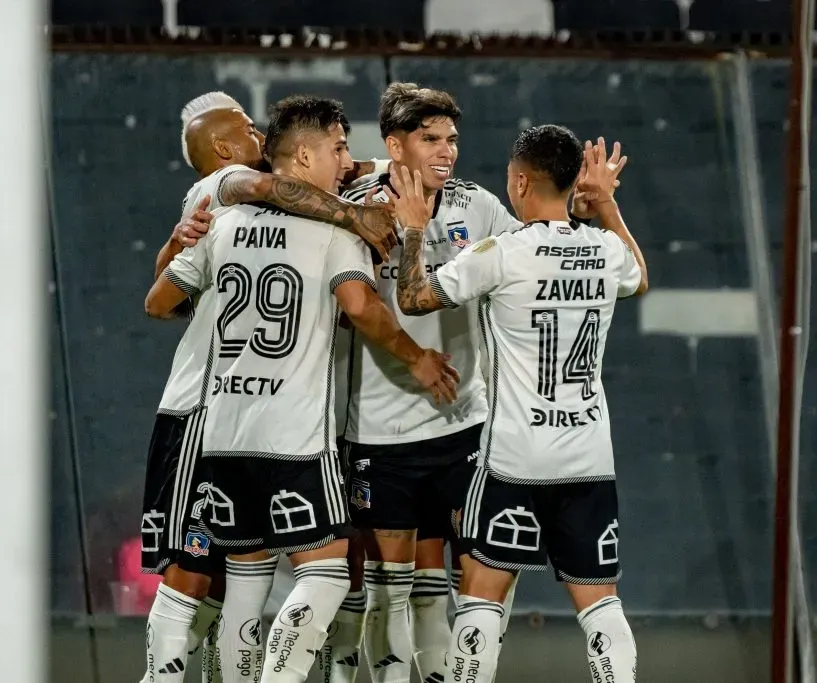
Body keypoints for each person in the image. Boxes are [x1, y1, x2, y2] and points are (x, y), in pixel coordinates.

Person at [145, 95, 460, 683]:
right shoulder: (299, 214)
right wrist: (416, 358)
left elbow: (158, 299)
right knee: (325, 573)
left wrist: (183, 250)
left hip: (219, 426)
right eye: (337, 147)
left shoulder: (223, 220)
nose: (344, 157)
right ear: (306, 152)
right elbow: (362, 308)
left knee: (243, 573)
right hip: (291, 433)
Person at [393, 128, 648, 682]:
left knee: (482, 596)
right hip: (586, 459)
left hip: (513, 458)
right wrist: (606, 205)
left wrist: (414, 230)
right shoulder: (604, 249)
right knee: (601, 604)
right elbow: (639, 277)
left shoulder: (500, 253)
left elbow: (414, 298)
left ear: (520, 181)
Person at [336, 82, 524, 683]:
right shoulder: (358, 210)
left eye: (452, 140)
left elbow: (528, 266)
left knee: (480, 579)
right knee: (395, 590)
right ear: (394, 145)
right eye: (430, 139)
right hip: (379, 429)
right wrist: (416, 357)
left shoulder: (480, 206)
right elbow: (358, 304)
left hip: (466, 422)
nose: (446, 152)